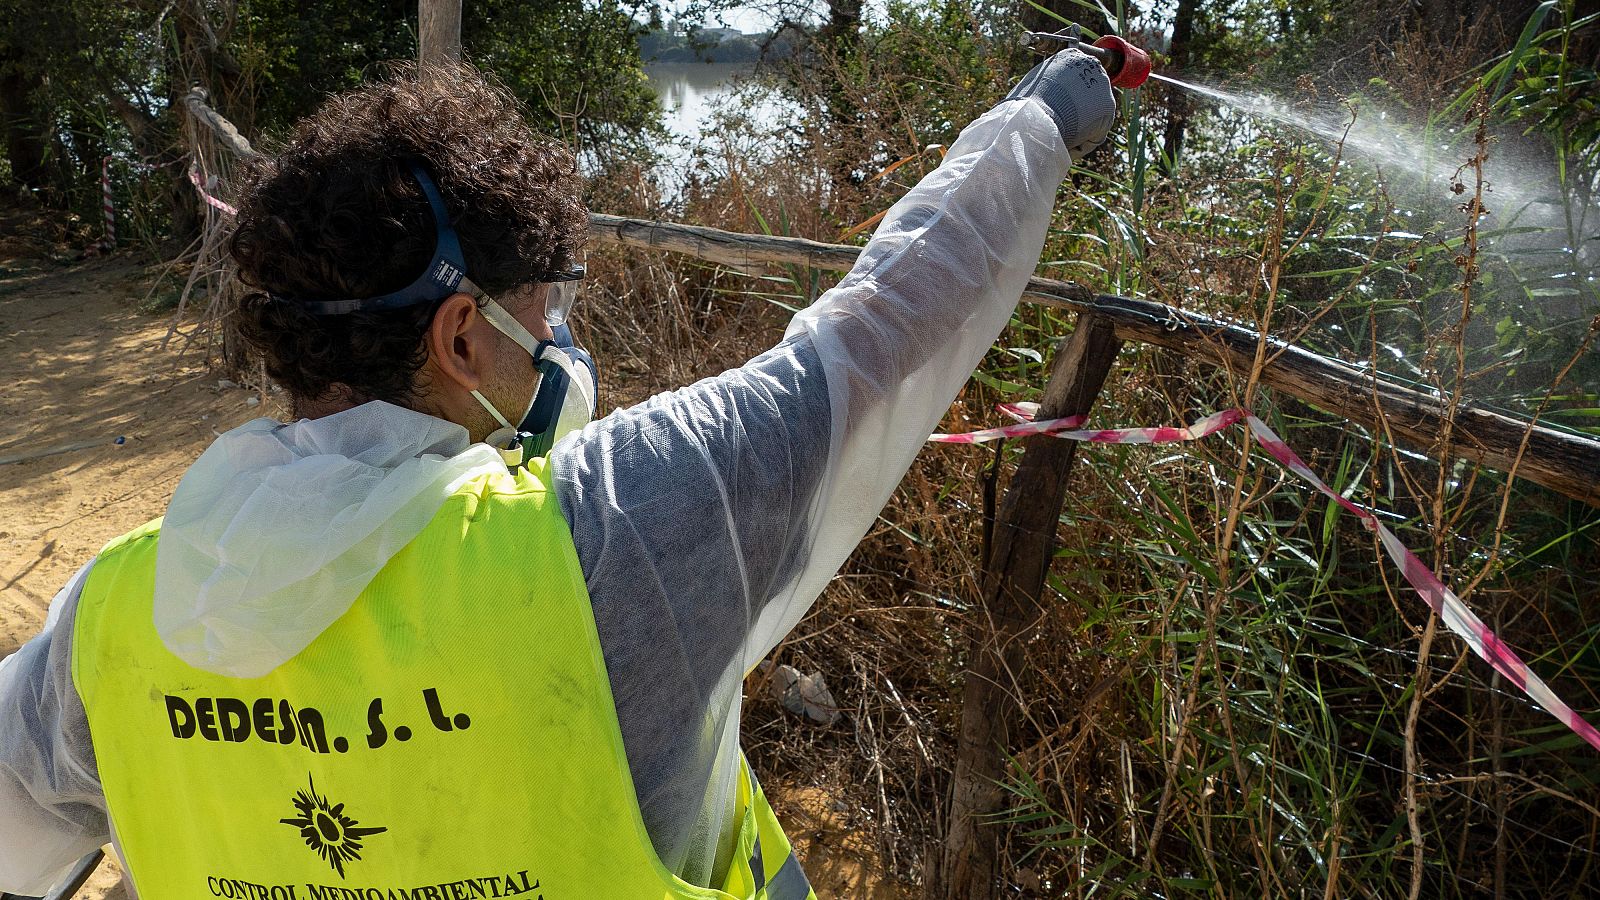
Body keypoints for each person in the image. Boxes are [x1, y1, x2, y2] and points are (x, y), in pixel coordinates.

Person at [0, 48, 1116, 899]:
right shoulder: (619, 525)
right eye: (541, 316)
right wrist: (1041, 118)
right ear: (458, 340)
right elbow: (884, 326)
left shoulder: (112, 618)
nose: (559, 349)